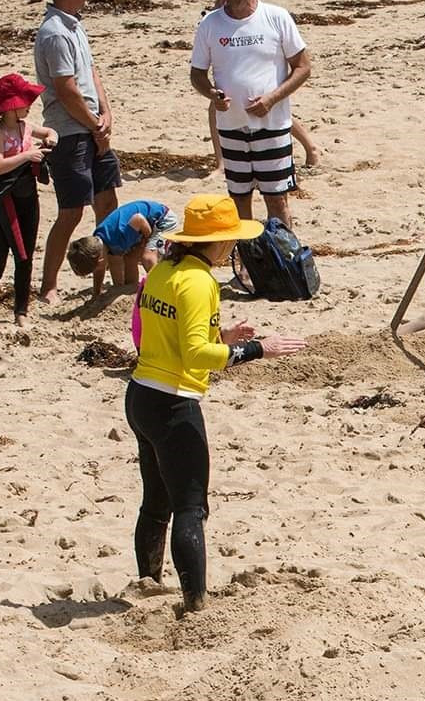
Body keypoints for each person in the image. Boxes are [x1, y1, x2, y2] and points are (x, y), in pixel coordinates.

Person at [127, 194, 306, 613]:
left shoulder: (162, 271)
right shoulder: (200, 281)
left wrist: (221, 335)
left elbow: (161, 334)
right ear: (218, 243)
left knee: (156, 501)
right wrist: (259, 350)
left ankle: (147, 584)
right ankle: (196, 604)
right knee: (191, 507)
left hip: (140, 396)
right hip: (173, 403)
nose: (233, 248)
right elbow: (195, 356)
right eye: (230, 240)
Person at [189, 0, 312, 228]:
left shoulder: (276, 17)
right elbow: (197, 74)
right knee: (239, 200)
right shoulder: (209, 23)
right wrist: (212, 94)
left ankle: (283, 265)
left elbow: (303, 67)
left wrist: (271, 99)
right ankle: (246, 269)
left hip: (273, 126)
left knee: (276, 200)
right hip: (231, 128)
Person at [34, 0, 123, 303]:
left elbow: (91, 72)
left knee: (108, 201)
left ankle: (118, 277)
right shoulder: (54, 32)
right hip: (70, 132)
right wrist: (93, 124)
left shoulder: (74, 25)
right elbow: (66, 89)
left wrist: (106, 112)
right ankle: (49, 286)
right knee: (72, 211)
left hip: (90, 125)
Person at [200, 0, 320, 172]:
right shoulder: (215, 14)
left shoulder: (271, 15)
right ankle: (221, 162)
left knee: (269, 109)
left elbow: (303, 66)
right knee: (223, 108)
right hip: (230, 94)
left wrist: (272, 97)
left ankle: (310, 147)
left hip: (264, 93)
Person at [0, 74, 55, 330]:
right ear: (10, 105)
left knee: (26, 256)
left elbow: (51, 130)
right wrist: (27, 154)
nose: (29, 105)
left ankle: (21, 310)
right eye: (25, 100)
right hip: (4, 199)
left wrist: (52, 139)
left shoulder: (26, 126)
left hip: (28, 197)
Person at [67, 199, 177, 292]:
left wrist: (147, 240)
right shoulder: (97, 243)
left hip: (162, 218)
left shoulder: (119, 236)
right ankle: (131, 288)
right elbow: (104, 268)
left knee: (147, 257)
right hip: (139, 229)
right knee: (129, 258)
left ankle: (165, 288)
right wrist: (97, 293)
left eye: (98, 268)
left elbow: (138, 219)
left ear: (100, 260)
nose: (101, 271)